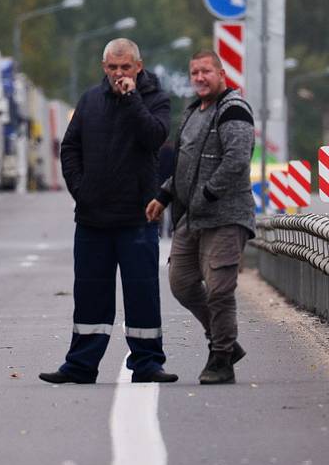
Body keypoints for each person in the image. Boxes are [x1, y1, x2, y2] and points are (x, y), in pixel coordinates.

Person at [40, 38, 175, 385]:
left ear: (138, 67)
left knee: (142, 294)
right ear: (104, 67)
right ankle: (81, 365)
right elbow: (70, 147)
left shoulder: (155, 100)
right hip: (92, 219)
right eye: (113, 68)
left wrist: (131, 99)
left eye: (125, 67)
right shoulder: (90, 101)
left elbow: (153, 137)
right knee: (90, 295)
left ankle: (147, 364)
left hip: (136, 219)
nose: (119, 74)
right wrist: (81, 191)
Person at [146, 50, 254, 385]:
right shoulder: (193, 111)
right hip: (190, 217)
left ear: (221, 74)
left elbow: (237, 158)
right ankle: (226, 340)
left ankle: (221, 358)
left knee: (220, 288)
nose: (199, 78)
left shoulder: (233, 109)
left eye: (206, 71)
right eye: (194, 73)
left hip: (224, 215)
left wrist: (208, 193)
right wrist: (164, 195)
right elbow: (184, 166)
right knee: (181, 283)